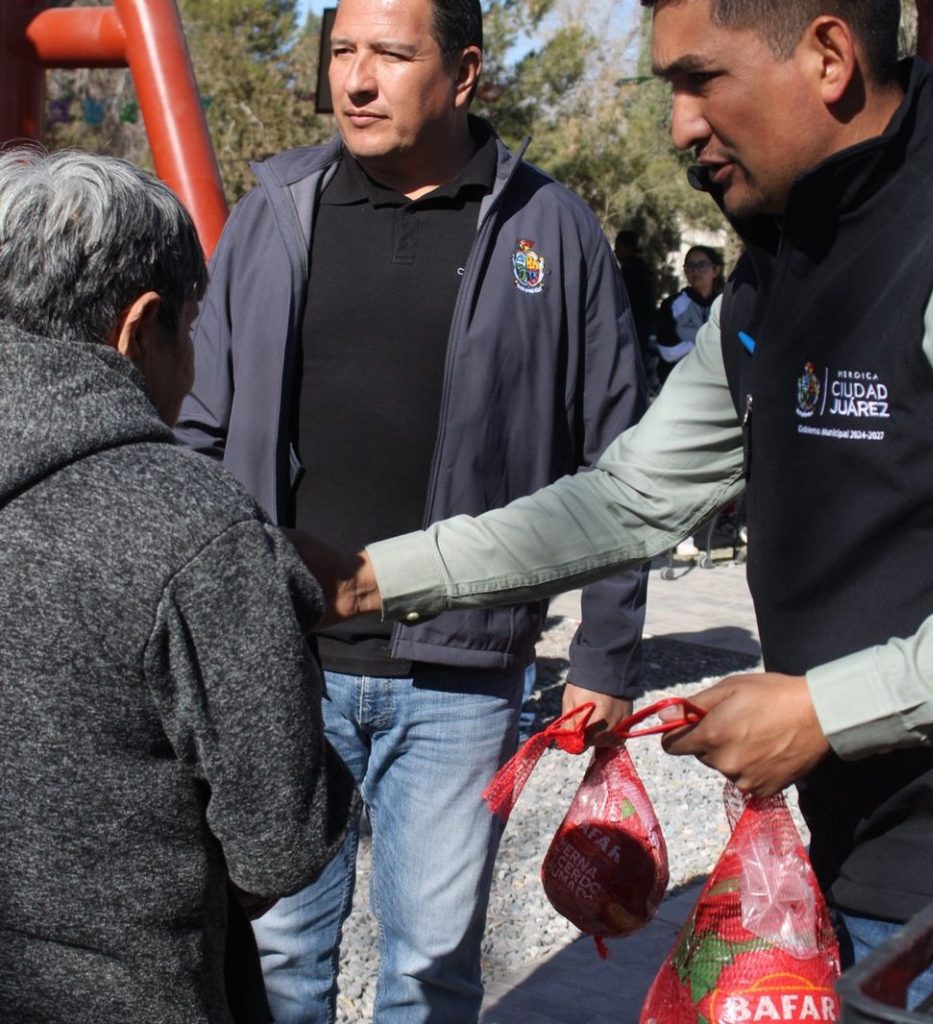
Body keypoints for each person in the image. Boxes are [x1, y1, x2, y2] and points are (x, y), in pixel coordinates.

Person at [315, 0, 933, 983]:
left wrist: (827, 708)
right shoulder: (774, 269)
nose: (680, 125)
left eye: (701, 80)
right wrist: (367, 579)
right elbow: (627, 500)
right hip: (855, 866)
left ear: (825, 55)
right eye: (670, 90)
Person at [175, 0, 648, 1019]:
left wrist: (607, 649)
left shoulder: (547, 229)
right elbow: (198, 427)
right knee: (274, 959)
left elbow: (618, 458)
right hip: (282, 661)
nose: (355, 80)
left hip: (462, 677)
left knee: (431, 968)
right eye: (341, 51)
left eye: (388, 55)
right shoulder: (275, 213)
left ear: (464, 72)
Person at [0, 148, 357, 1023]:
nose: (193, 363)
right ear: (139, 327)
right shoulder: (191, 524)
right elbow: (279, 844)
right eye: (191, 331)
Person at [655, 244, 724, 385]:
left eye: (702, 265)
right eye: (690, 266)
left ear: (716, 270)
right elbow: (667, 352)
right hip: (680, 384)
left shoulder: (725, 305)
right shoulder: (672, 304)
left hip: (717, 385)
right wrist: (706, 347)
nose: (696, 271)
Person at [615, 227, 660, 392]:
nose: (616, 250)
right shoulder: (643, 268)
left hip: (636, 326)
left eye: (619, 246)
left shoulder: (631, 271)